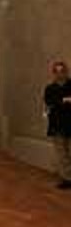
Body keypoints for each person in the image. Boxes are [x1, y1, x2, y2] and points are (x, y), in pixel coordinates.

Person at [44, 61, 71, 189]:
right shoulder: (50, 88)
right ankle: (67, 178)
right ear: (54, 73)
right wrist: (64, 100)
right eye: (57, 71)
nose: (60, 74)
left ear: (66, 72)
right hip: (57, 124)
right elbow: (49, 102)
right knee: (61, 153)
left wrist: (59, 102)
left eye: (62, 71)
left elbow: (56, 103)